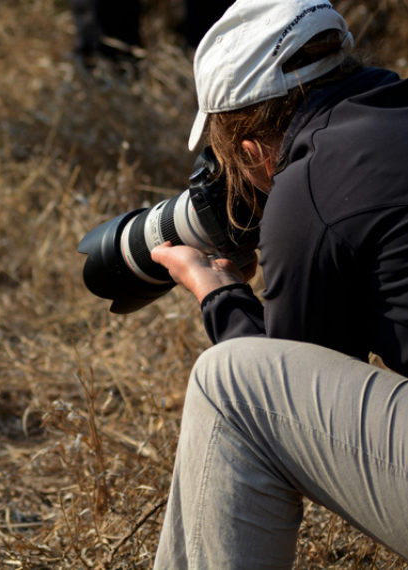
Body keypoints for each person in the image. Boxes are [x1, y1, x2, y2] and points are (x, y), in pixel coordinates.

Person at [148, 0, 408, 566]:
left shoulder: (309, 182)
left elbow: (296, 382)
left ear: (251, 149)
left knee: (229, 383)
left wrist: (218, 290)